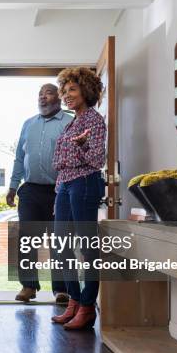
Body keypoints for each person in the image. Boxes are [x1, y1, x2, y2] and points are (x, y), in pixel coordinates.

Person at [50, 67, 106, 330]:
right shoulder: (72, 122)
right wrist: (59, 186)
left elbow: (96, 160)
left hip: (84, 182)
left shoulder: (93, 120)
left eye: (72, 89)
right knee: (61, 246)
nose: (66, 95)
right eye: (64, 91)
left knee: (86, 247)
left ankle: (86, 307)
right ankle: (73, 301)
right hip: (65, 184)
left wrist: (83, 145)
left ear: (87, 90)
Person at [7, 84, 72, 304]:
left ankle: (61, 289)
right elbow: (19, 158)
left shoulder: (69, 122)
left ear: (59, 98)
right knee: (27, 239)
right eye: (40, 94)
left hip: (59, 190)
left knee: (60, 242)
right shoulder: (28, 124)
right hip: (31, 190)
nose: (43, 97)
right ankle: (28, 286)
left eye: (48, 92)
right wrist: (13, 186)